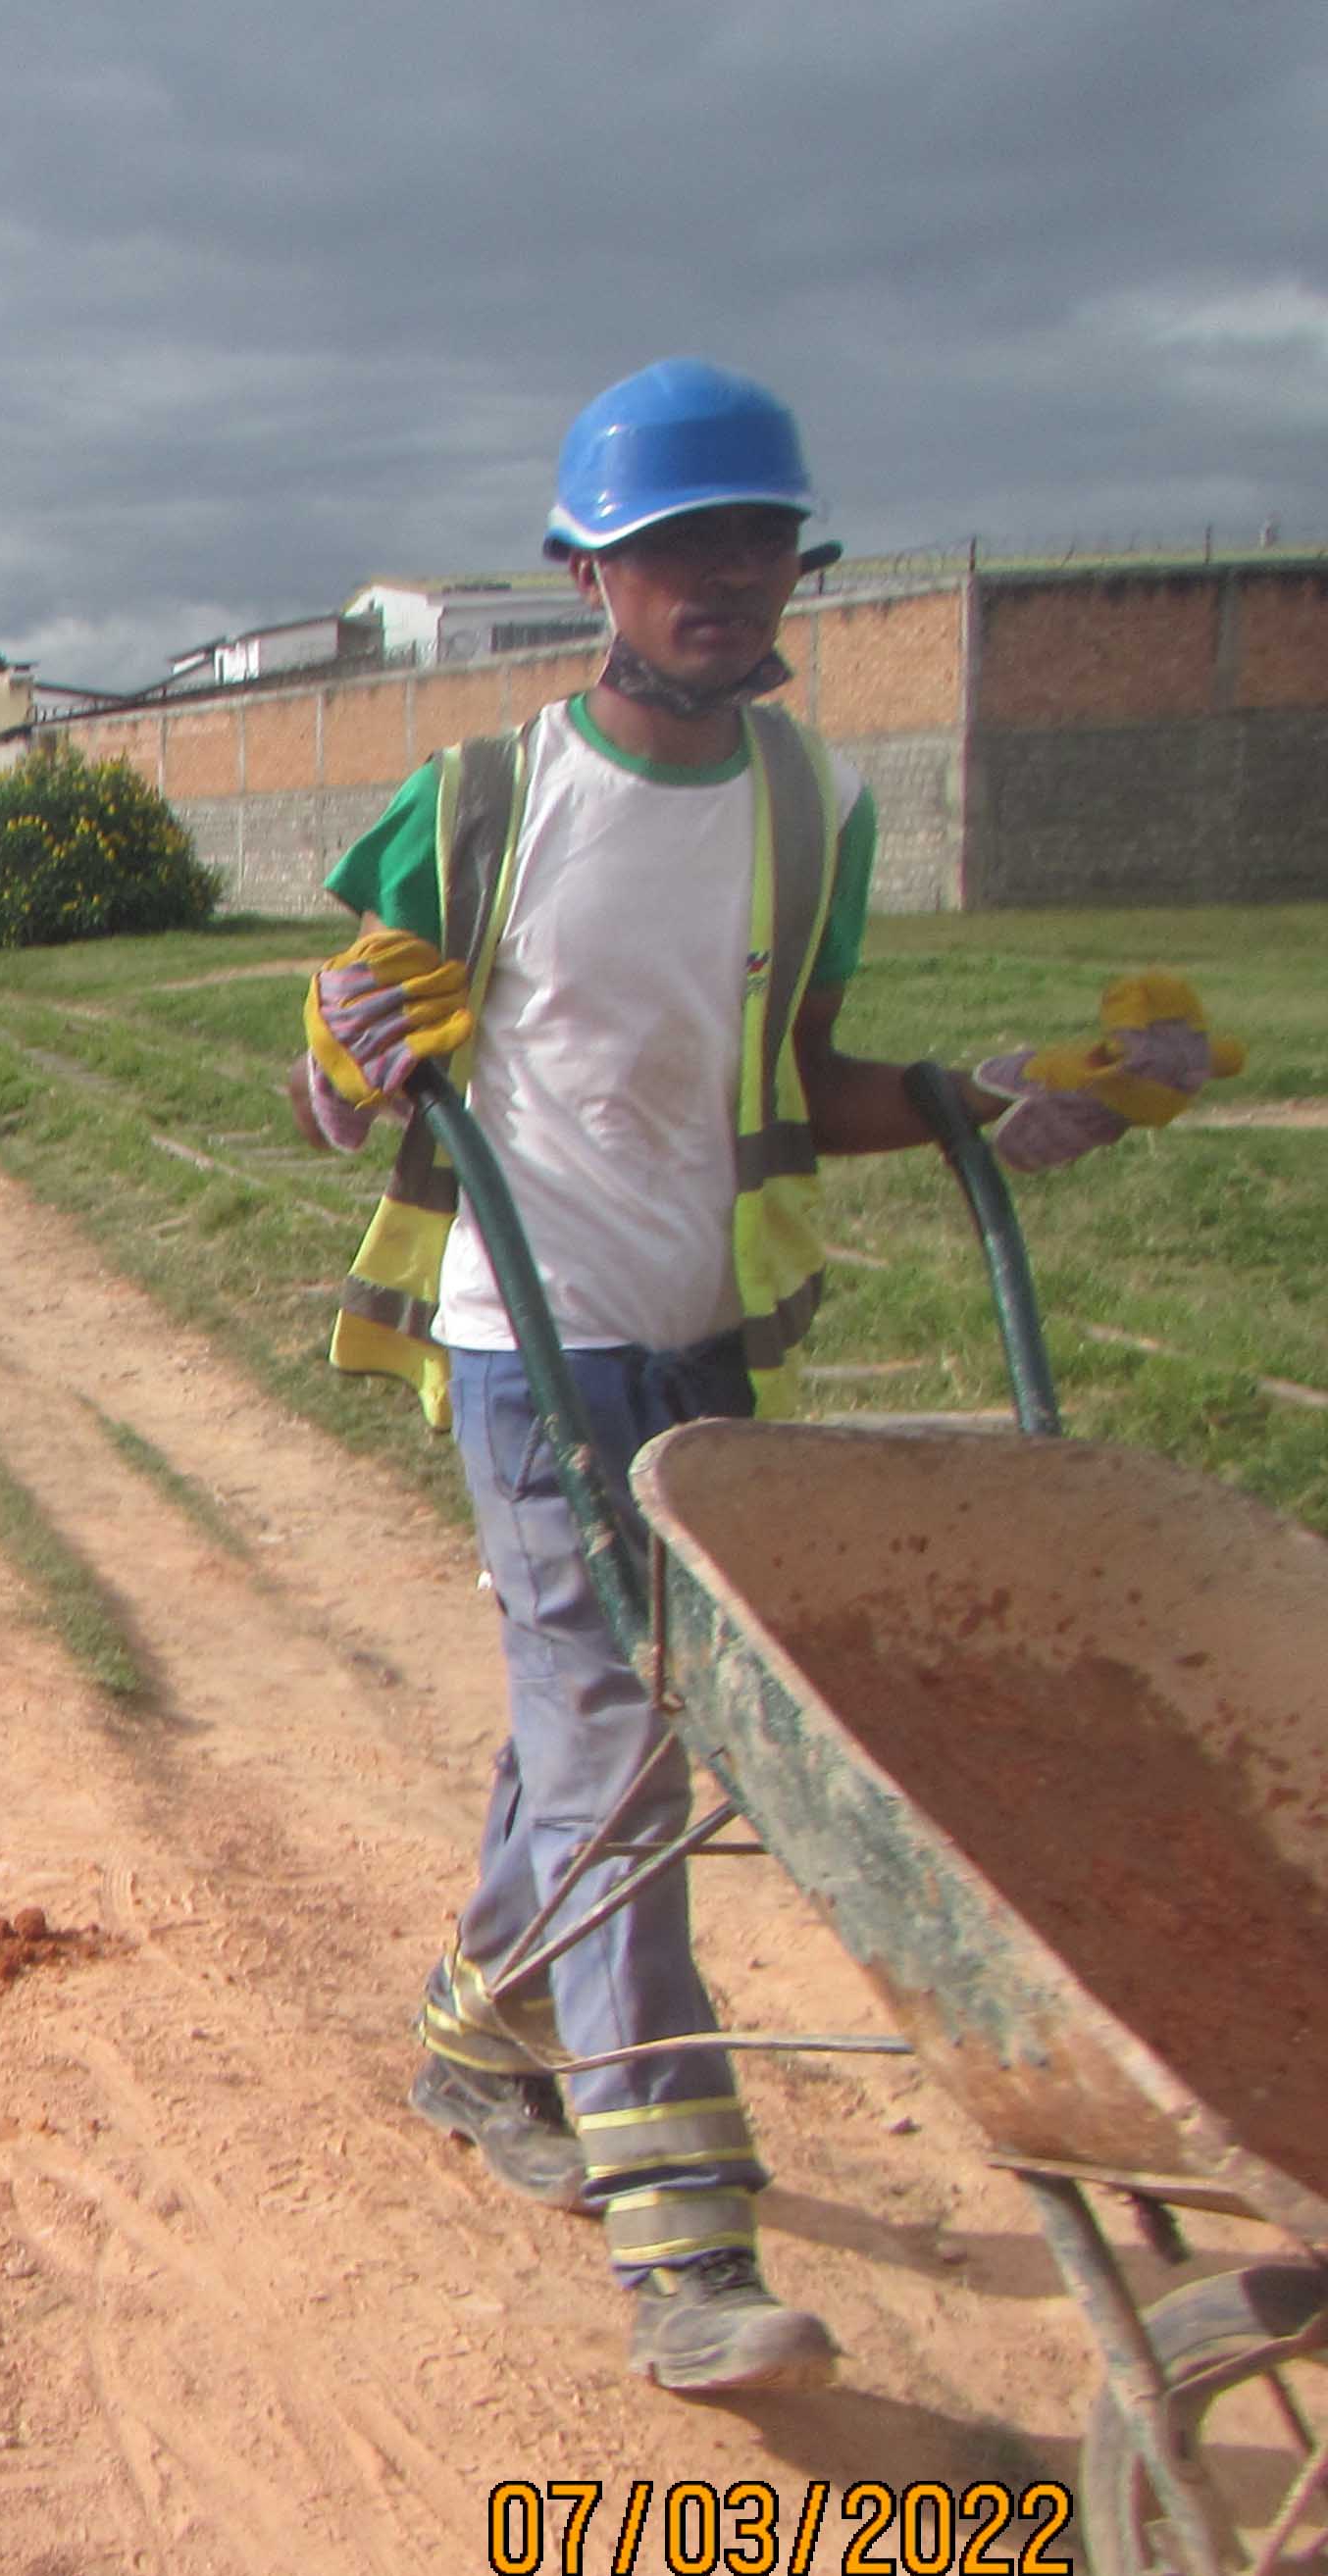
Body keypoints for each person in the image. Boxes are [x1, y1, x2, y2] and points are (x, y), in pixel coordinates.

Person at [294, 359, 1240, 2397]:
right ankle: (679, 2245)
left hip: (697, 1338)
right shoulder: (482, 801)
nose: (716, 578)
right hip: (516, 1335)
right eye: (667, 550)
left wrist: (1002, 1096)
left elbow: (803, 1087)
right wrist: (338, 1051)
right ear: (587, 574)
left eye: (749, 541)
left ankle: (479, 2032)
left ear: (789, 563)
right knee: (617, 1736)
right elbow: (324, 1082)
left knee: (603, 1713)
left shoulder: (813, 808)